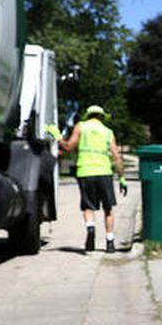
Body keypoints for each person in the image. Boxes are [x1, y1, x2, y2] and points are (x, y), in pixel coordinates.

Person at [53, 105, 127, 253]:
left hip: (85, 172)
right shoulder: (108, 132)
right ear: (102, 116)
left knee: (88, 206)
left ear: (88, 115)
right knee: (108, 209)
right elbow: (117, 157)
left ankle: (90, 228)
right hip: (104, 172)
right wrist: (122, 178)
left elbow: (68, 147)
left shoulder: (81, 126)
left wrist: (57, 136)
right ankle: (110, 242)